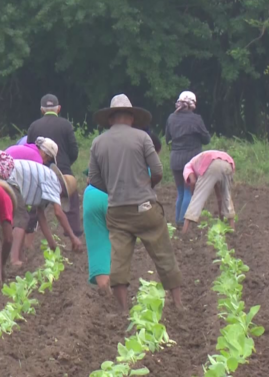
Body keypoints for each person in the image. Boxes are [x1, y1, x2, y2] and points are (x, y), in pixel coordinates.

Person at [89, 94, 182, 311]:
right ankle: (178, 305)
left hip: (117, 211)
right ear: (131, 117)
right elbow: (158, 171)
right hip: (145, 207)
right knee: (163, 254)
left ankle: (122, 309)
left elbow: (94, 179)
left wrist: (113, 189)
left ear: (111, 119)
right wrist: (147, 186)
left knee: (119, 260)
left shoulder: (97, 143)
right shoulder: (142, 138)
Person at [84, 132, 163, 296]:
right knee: (121, 242)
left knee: (98, 244)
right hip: (119, 199)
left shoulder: (104, 147)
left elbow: (89, 177)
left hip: (93, 195)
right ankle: (119, 292)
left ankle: (104, 289)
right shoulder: (141, 158)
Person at [7, 159, 83, 266]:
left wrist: (52, 244)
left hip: (12, 177)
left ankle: (15, 258)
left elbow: (41, 217)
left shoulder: (45, 185)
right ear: (63, 191)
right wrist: (73, 237)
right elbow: (58, 212)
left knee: (15, 219)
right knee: (22, 218)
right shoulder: (54, 182)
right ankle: (14, 260)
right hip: (10, 177)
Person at [27, 94, 82, 237]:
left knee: (33, 208)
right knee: (72, 203)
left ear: (42, 110)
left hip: (40, 174)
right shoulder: (66, 125)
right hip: (62, 174)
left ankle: (27, 231)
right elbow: (74, 151)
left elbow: (30, 151)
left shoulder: (34, 126)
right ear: (58, 109)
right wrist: (65, 165)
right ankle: (74, 235)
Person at [165, 91, 210, 227]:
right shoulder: (196, 119)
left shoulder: (171, 118)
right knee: (188, 191)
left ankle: (177, 220)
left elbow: (168, 139)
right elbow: (206, 139)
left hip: (175, 159)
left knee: (180, 192)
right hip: (191, 161)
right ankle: (183, 222)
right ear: (192, 104)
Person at [181, 151, 236, 234]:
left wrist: (193, 195)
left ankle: (184, 232)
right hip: (227, 163)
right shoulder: (197, 160)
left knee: (197, 200)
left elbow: (192, 181)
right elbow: (219, 197)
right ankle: (232, 229)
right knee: (226, 197)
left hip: (210, 163)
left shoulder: (187, 166)